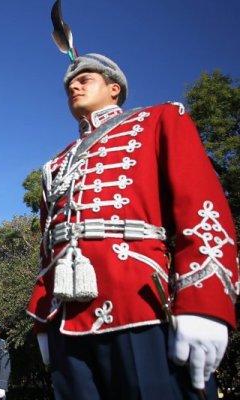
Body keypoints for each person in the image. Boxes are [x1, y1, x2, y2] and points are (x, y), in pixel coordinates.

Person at [26, 52, 239, 399]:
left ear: (115, 88)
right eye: (69, 85)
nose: (74, 86)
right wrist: (42, 321)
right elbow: (48, 243)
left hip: (140, 302)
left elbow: (201, 205)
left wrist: (205, 302)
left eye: (85, 79)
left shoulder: (159, 119)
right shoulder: (56, 164)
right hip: (63, 313)